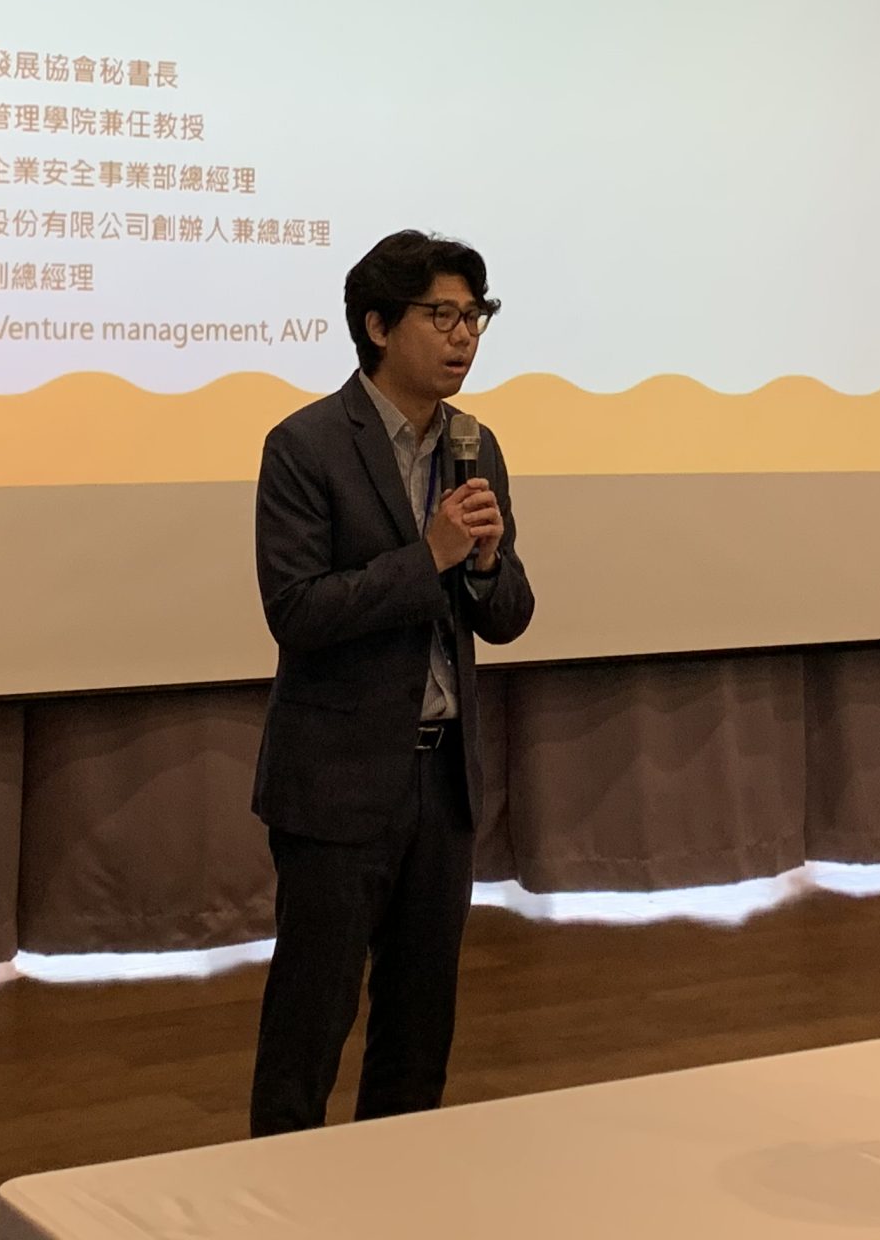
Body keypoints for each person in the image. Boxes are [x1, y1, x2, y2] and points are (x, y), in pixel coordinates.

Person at [246, 229, 537, 1137]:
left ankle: (395, 1190)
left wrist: (483, 564)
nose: (464, 336)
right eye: (441, 315)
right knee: (310, 1024)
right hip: (337, 782)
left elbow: (508, 615)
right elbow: (297, 611)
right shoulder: (305, 446)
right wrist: (431, 556)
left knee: (419, 1025)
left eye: (475, 315)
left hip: (442, 782)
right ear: (377, 325)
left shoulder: (475, 446)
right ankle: (273, 1193)